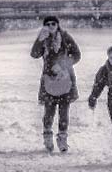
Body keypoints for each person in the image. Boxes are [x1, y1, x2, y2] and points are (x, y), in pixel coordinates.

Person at [30, 16, 80, 153]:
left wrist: (63, 64)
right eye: (48, 24)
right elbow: (34, 54)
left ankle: (62, 139)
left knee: (64, 112)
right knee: (49, 112)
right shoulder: (43, 39)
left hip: (65, 78)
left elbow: (77, 55)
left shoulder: (65, 37)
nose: (51, 26)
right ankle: (47, 138)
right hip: (49, 80)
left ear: (58, 25)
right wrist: (39, 40)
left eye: (53, 23)